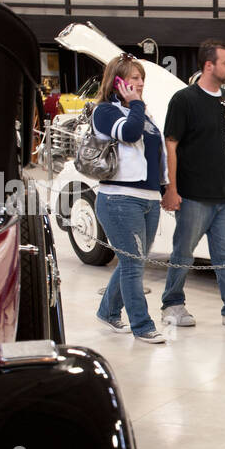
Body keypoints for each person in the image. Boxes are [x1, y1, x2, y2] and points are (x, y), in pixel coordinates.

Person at [160, 40, 225, 328]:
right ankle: (172, 305)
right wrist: (172, 188)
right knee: (183, 252)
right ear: (209, 65)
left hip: (224, 197)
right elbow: (171, 144)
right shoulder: (184, 100)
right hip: (192, 195)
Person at [91, 54, 169, 343]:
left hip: (147, 198)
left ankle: (108, 312)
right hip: (119, 199)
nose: (139, 83)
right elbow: (129, 133)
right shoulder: (105, 111)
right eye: (133, 78)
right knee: (134, 265)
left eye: (141, 78)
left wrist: (164, 189)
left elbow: (155, 155)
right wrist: (136, 104)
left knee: (130, 263)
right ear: (117, 81)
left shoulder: (141, 112)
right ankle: (142, 325)